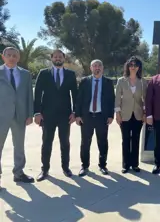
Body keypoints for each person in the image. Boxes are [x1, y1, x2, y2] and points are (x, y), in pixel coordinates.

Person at [34, 49, 78, 181]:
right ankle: (44, 169)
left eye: (60, 57)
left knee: (65, 142)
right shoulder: (43, 73)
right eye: (55, 57)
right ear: (51, 58)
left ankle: (65, 167)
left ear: (64, 58)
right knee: (47, 142)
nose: (58, 59)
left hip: (65, 115)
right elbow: (37, 94)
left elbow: (75, 94)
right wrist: (37, 112)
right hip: (47, 115)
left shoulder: (70, 74)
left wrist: (75, 112)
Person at [0, 47, 34, 187]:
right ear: (3, 57)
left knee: (19, 146)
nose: (12, 58)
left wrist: (30, 114)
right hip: (1, 115)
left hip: (20, 115)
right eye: (9, 55)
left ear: (18, 58)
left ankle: (19, 173)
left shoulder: (25, 74)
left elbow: (29, 96)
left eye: (15, 55)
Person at [75, 59, 115, 176]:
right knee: (85, 143)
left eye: (99, 66)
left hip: (101, 117)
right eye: (94, 66)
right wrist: (78, 115)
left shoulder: (108, 82)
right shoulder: (84, 81)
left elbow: (111, 100)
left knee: (102, 142)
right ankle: (84, 166)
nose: (97, 68)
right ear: (91, 68)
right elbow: (79, 99)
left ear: (102, 68)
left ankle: (103, 165)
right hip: (86, 117)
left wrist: (110, 115)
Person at [115, 56, 147, 173]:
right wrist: (117, 114)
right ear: (128, 67)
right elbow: (118, 99)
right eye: (131, 65)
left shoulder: (143, 82)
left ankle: (135, 164)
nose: (133, 67)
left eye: (136, 65)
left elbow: (145, 100)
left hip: (138, 115)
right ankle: (126, 164)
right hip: (124, 114)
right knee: (126, 139)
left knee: (136, 139)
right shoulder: (121, 81)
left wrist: (145, 113)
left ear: (139, 67)